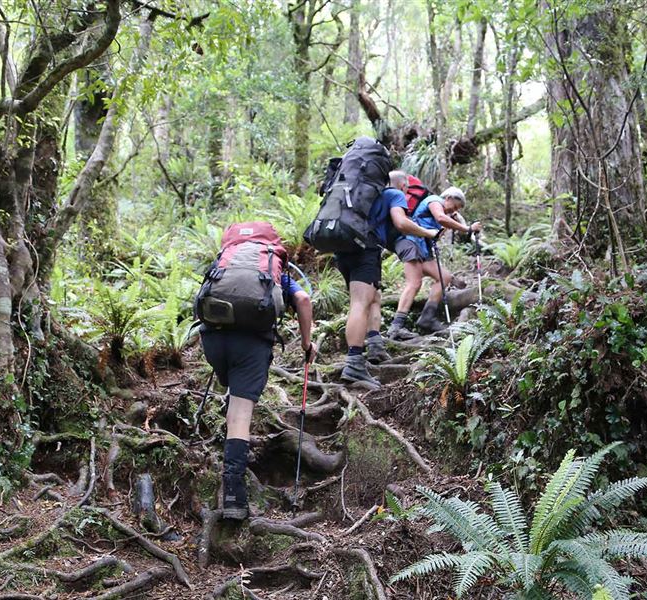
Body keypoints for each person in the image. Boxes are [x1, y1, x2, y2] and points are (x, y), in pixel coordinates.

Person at [198, 227, 317, 520]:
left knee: (232, 391)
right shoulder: (274, 273)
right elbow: (303, 300)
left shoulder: (223, 265)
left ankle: (229, 404)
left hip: (213, 339)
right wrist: (306, 344)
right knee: (240, 412)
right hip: (251, 344)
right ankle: (234, 495)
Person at [334, 171, 441, 386]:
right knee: (361, 302)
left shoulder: (363, 194)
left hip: (343, 247)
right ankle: (354, 364)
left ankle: (375, 345)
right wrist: (428, 233)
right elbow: (401, 223)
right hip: (365, 249)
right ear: (403, 185)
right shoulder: (394, 195)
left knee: (374, 297)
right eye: (407, 188)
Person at [388, 186, 482, 338]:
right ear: (448, 198)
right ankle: (396, 326)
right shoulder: (434, 201)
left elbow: (436, 234)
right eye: (455, 206)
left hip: (423, 249)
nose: (454, 211)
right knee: (414, 283)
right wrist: (467, 228)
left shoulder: (443, 212)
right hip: (411, 242)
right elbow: (440, 218)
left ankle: (427, 317)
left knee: (444, 277)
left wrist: (450, 223)